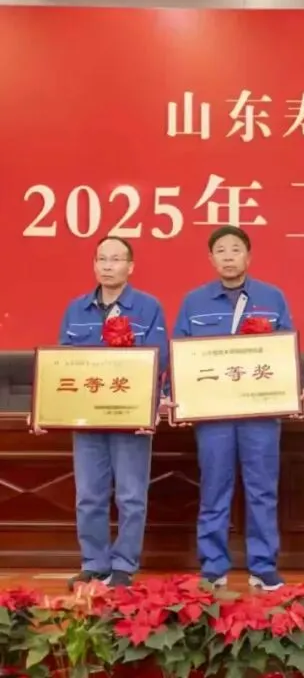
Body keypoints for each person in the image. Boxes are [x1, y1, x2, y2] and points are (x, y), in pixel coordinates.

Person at [37, 236, 169, 590]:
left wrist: (150, 407)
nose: (108, 266)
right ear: (94, 264)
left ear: (130, 266)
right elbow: (62, 363)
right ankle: (94, 563)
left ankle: (124, 564)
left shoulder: (148, 307)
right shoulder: (76, 309)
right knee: (89, 495)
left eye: (116, 259)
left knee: (131, 495)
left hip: (130, 417)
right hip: (88, 419)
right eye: (102, 259)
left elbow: (159, 359)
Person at [172, 226, 295, 591]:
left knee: (262, 490)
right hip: (214, 416)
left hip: (260, 416)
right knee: (214, 489)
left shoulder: (272, 298)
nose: (228, 256)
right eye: (221, 250)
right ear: (211, 259)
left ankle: (263, 565)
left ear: (248, 257)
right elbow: (181, 354)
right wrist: (175, 396)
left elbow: (286, 352)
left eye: (235, 249)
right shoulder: (194, 302)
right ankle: (213, 566)